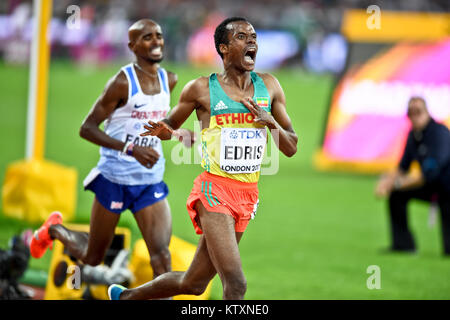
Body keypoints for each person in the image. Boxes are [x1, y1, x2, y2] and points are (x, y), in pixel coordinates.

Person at [108, 16, 298, 300]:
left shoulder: (269, 86)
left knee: (193, 284)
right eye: (242, 37)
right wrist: (165, 132)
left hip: (247, 195)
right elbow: (167, 125)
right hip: (214, 192)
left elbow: (291, 146)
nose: (252, 42)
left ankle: (124, 298)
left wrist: (270, 122)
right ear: (223, 48)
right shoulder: (200, 89)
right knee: (236, 284)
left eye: (254, 37)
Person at [30, 19, 194, 279]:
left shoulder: (169, 80)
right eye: (147, 37)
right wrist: (131, 150)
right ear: (132, 45)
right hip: (114, 178)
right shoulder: (122, 82)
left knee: (162, 257)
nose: (156, 41)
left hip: (148, 181)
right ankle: (55, 230)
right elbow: (87, 128)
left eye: (158, 36)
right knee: (94, 257)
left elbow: (153, 125)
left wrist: (175, 134)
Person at [375, 96, 450, 255]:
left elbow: (427, 173)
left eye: (418, 112)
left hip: (446, 187)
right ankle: (403, 245)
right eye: (411, 113)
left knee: (448, 250)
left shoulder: (440, 134)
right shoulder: (413, 136)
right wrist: (386, 181)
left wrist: (395, 184)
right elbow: (403, 167)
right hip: (431, 186)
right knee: (397, 195)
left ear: (427, 112)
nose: (414, 117)